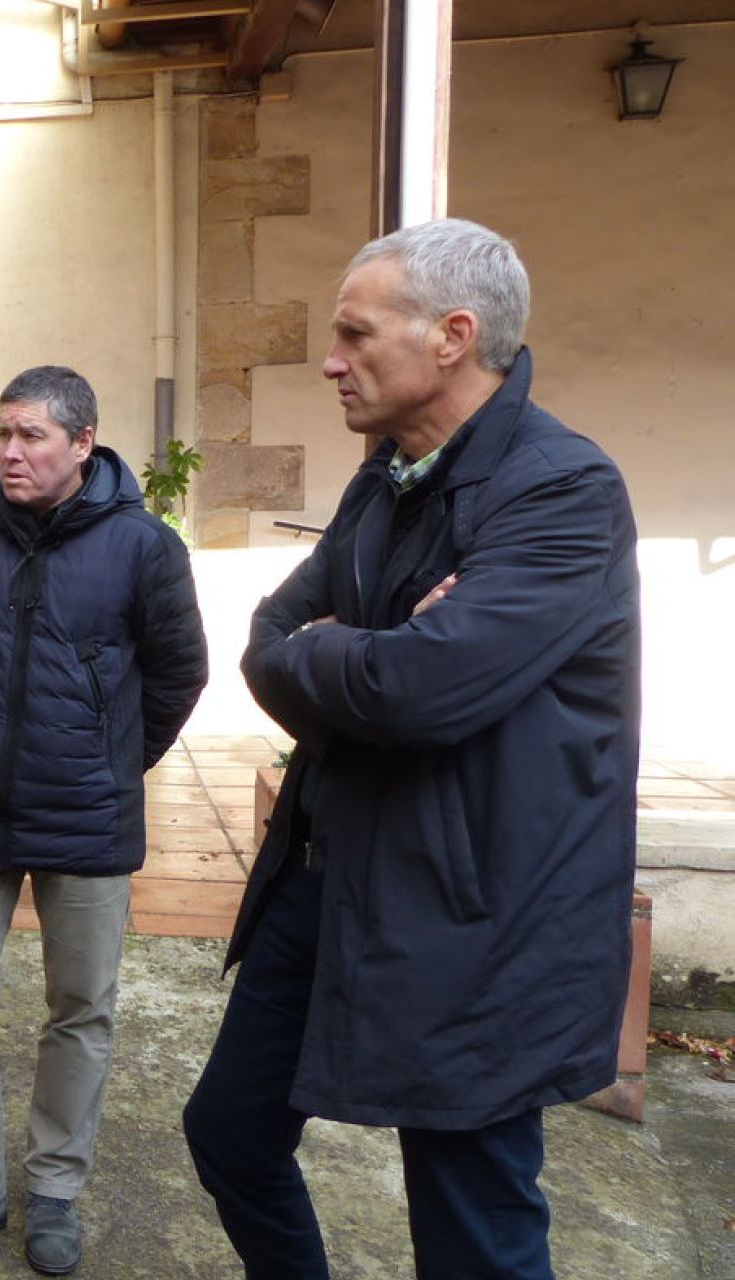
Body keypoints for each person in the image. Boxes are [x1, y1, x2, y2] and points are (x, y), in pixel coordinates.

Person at [182, 218, 641, 1279]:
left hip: (476, 916)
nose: (331, 359)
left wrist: (360, 654)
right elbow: (265, 642)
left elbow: (421, 690)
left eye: (355, 333)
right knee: (230, 1133)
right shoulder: (382, 475)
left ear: (453, 336)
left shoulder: (563, 489)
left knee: (472, 1222)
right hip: (329, 871)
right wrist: (370, 652)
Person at [0, 365, 207, 1275]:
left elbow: (180, 674)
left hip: (88, 820)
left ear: (82, 444)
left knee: (80, 1007)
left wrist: (109, 763)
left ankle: (55, 1188)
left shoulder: (145, 548)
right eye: (4, 435)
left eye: (32, 437)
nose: (12, 453)